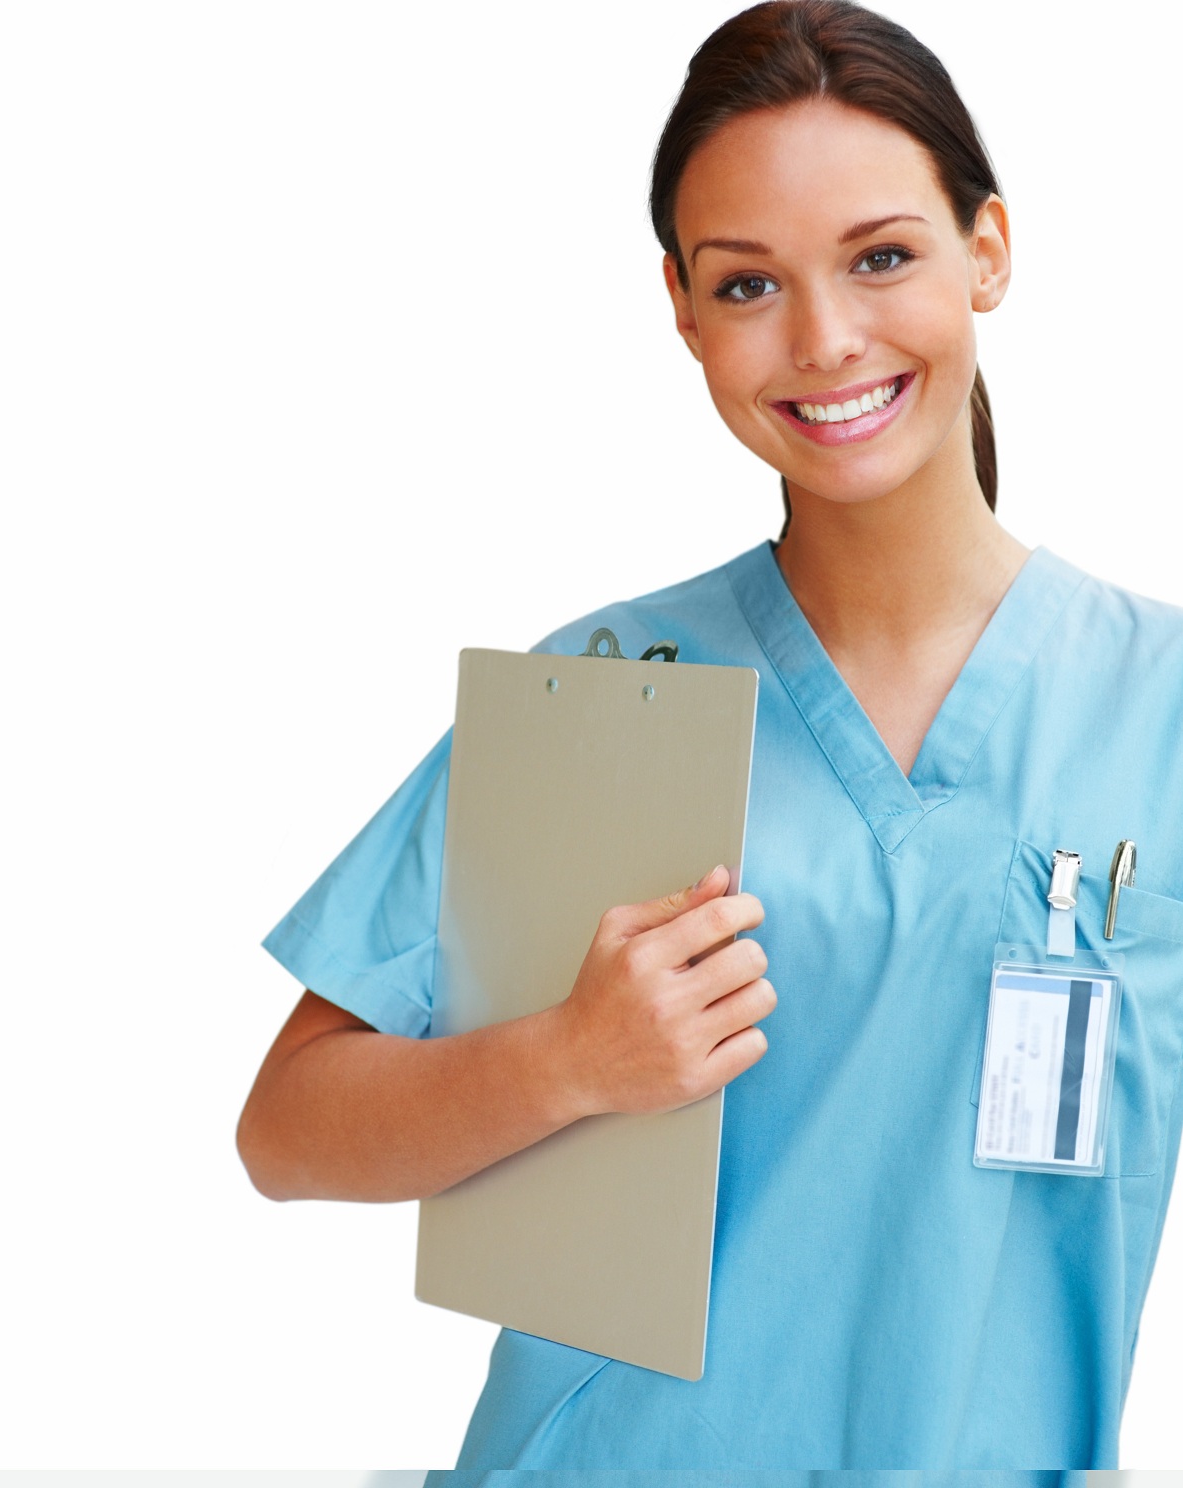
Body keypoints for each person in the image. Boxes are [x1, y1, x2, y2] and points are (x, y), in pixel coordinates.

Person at [236, 0, 1183, 1478]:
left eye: (880, 257)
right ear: (680, 309)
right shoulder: (607, 689)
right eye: (748, 286)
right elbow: (285, 1129)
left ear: (986, 249)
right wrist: (569, 1060)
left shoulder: (1158, 707)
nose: (823, 341)